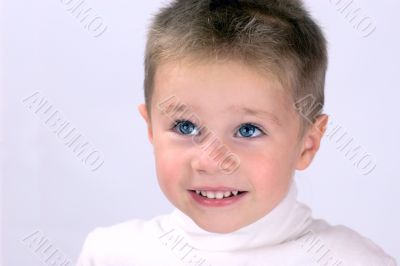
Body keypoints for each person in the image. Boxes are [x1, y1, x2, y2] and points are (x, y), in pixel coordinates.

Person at [76, 0, 397, 265]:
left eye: (247, 130)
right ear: (150, 130)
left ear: (307, 144)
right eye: (185, 126)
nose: (211, 161)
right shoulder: (111, 254)